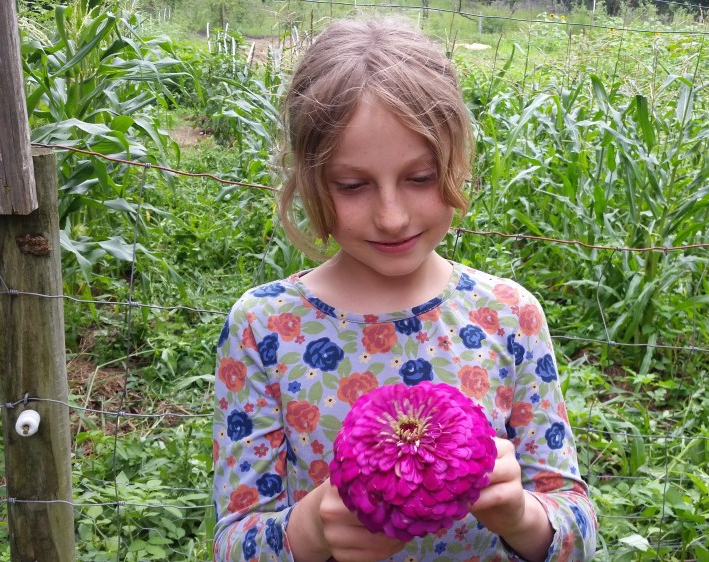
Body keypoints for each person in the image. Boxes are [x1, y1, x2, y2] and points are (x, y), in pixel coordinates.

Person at [211, 16, 597, 562]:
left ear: (457, 163)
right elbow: (232, 542)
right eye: (353, 185)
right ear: (308, 178)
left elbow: (575, 520)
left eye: (419, 178)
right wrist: (309, 531)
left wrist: (522, 515)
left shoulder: (508, 316)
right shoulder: (265, 327)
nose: (392, 217)